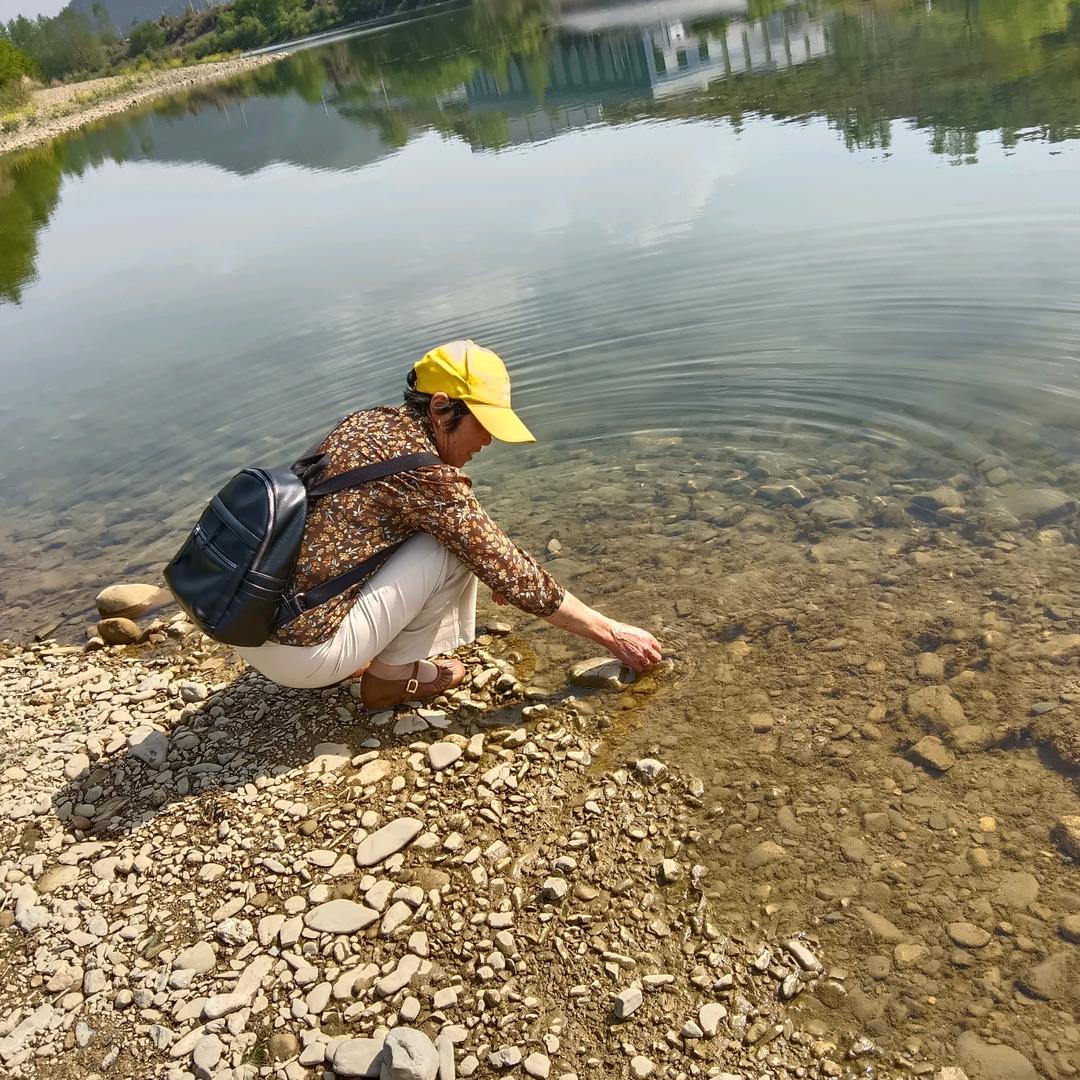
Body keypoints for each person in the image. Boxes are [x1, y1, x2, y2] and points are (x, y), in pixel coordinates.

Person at [233, 340, 662, 707]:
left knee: (458, 540)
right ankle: (388, 679)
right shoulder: (424, 474)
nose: (489, 440)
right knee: (450, 550)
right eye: (484, 424)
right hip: (300, 657)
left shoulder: (367, 424)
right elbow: (511, 570)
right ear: (441, 407)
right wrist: (611, 632)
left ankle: (361, 649)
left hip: (252, 623)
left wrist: (493, 559)